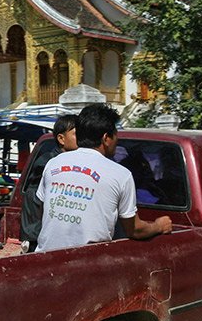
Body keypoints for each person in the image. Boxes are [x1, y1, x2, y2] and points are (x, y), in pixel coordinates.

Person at [35, 104, 171, 252]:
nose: (116, 142)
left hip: (45, 258)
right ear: (106, 138)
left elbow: (43, 209)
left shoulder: (54, 163)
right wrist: (159, 225)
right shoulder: (120, 174)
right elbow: (134, 230)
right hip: (89, 262)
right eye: (115, 136)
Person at [20, 114, 78, 252]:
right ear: (61, 139)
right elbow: (35, 202)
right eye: (77, 134)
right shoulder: (49, 163)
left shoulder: (71, 161)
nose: (82, 139)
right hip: (38, 234)